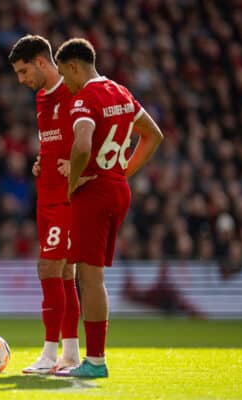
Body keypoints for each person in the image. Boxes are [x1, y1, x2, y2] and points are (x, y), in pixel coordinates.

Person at [53, 38, 163, 378]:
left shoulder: (85, 98)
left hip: (95, 192)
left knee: (89, 278)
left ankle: (96, 361)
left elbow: (83, 145)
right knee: (91, 276)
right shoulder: (121, 92)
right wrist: (123, 172)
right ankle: (91, 358)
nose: (66, 84)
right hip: (117, 189)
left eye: (64, 74)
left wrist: (72, 183)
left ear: (74, 67)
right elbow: (154, 135)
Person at [9, 35, 94, 374]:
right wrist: (43, 161)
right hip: (45, 194)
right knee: (64, 273)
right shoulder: (42, 98)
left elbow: (93, 138)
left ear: (42, 62)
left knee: (48, 269)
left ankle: (48, 353)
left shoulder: (75, 92)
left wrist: (79, 169)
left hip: (67, 198)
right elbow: (56, 141)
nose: (21, 80)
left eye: (23, 70)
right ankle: (70, 353)